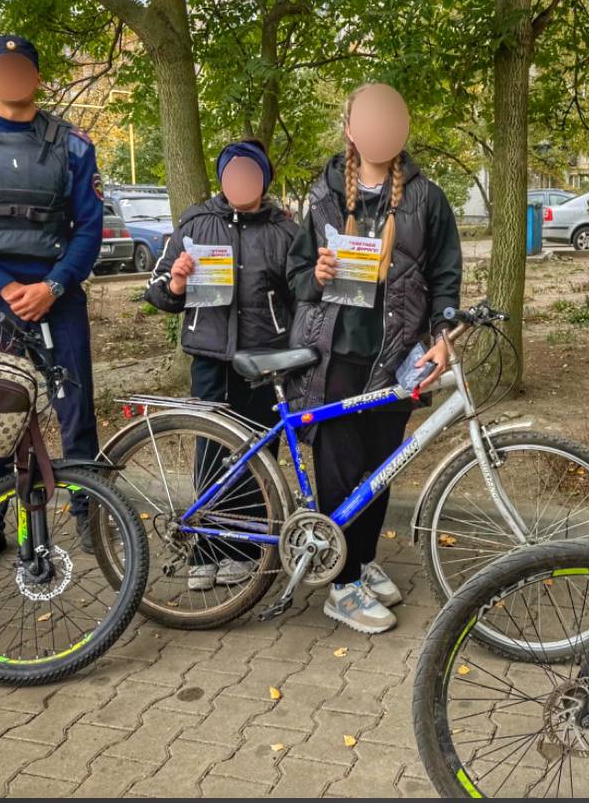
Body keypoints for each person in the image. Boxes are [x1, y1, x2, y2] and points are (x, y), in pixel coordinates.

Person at [285, 82, 462, 634]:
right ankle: (342, 584)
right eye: (371, 119)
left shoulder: (427, 198)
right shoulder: (321, 196)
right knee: (340, 472)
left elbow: (444, 276)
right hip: (334, 356)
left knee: (381, 471)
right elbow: (294, 277)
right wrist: (313, 276)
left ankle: (358, 560)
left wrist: (443, 336)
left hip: (395, 355)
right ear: (351, 130)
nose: (383, 128)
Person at [0, 34, 104, 576]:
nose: (13, 77)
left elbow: (90, 226)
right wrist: (2, 286)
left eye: (22, 68)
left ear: (35, 77)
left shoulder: (73, 143)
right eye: (2, 68)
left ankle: (90, 513)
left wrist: (53, 286)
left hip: (58, 289)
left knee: (75, 402)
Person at [144, 139, 299, 589]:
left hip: (264, 360)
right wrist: (175, 283)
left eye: (251, 174)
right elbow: (157, 291)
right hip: (211, 359)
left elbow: (301, 300)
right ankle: (206, 550)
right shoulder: (196, 222)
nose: (241, 182)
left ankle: (245, 550)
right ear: (222, 178)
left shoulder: (286, 232)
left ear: (264, 180)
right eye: (233, 174)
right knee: (211, 453)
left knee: (255, 457)